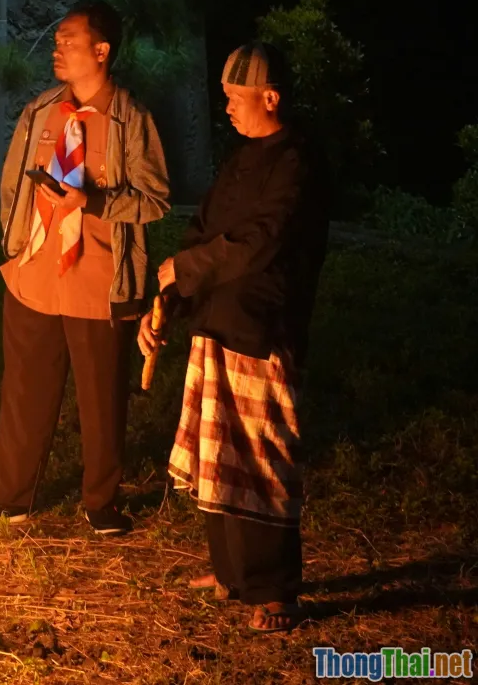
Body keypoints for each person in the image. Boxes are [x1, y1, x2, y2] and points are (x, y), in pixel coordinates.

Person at [0, 0, 170, 535]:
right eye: (57, 41)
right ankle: (11, 496)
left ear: (101, 50)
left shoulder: (130, 119)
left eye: (68, 41)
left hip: (97, 280)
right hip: (35, 274)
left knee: (101, 398)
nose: (57, 49)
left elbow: (156, 198)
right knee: (23, 392)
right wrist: (14, 245)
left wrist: (91, 202)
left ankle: (101, 501)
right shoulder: (41, 110)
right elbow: (13, 185)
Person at [139, 42, 329, 633]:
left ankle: (275, 590)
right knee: (217, 452)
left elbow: (259, 243)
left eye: (235, 98)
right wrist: (169, 297)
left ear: (270, 98)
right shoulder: (241, 160)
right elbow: (203, 232)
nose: (226, 109)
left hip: (263, 327)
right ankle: (229, 572)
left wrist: (188, 271)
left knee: (263, 456)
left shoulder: (297, 163)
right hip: (215, 323)